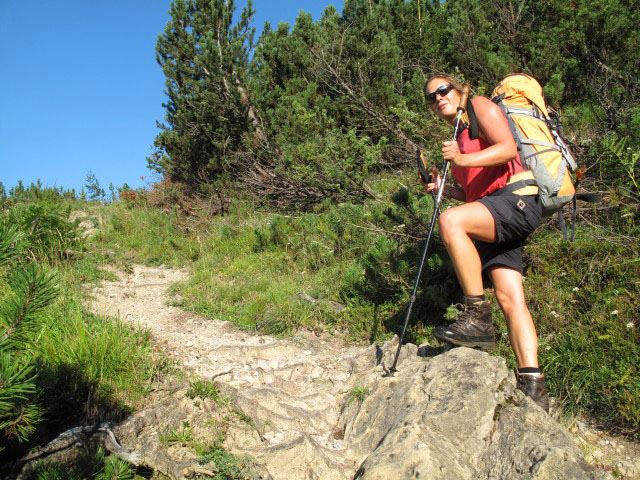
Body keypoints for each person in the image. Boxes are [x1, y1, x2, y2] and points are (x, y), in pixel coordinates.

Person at [422, 74, 549, 412]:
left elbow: (507, 148)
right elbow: (474, 193)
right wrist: (445, 189)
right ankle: (533, 385)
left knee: (452, 220)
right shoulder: (458, 136)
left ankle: (477, 315)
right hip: (495, 211)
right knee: (511, 297)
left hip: (515, 201)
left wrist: (461, 160)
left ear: (459, 89)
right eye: (431, 97)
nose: (438, 98)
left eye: (443, 90)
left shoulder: (479, 106)